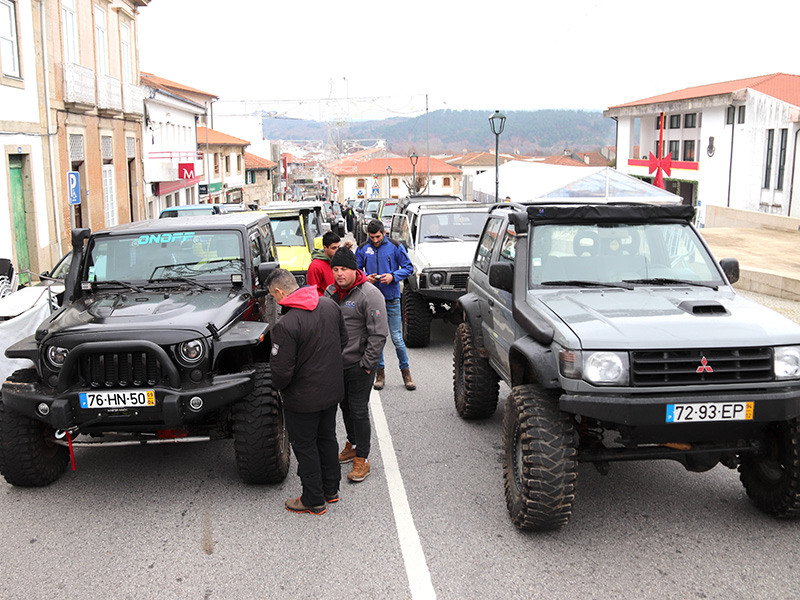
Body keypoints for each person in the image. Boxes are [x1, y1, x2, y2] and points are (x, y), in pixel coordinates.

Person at [266, 268, 348, 514]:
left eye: (274, 296)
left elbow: (281, 372)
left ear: (279, 291)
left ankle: (313, 498)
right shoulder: (329, 305)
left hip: (302, 399)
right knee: (327, 437)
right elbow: (342, 340)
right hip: (331, 390)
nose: (276, 301)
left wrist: (280, 390)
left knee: (305, 445)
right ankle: (331, 489)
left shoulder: (287, 324)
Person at [324, 247, 388, 483]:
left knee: (359, 410)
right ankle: (352, 442)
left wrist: (367, 364)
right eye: (336, 269)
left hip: (359, 365)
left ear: (355, 270)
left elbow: (379, 334)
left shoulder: (370, 295)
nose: (339, 274)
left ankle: (363, 458)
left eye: (344, 269)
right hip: (336, 365)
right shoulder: (330, 292)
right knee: (345, 407)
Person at [355, 219, 416, 391]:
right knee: (376, 337)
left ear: (384, 233)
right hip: (372, 300)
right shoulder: (362, 249)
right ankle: (379, 374)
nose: (375, 240)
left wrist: (393, 276)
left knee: (396, 337)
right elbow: (355, 271)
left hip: (391, 299)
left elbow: (408, 268)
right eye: (372, 237)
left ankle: (406, 373)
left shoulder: (396, 246)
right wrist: (364, 278)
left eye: (378, 236)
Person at [307, 231, 341, 296]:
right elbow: (313, 291)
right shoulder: (315, 266)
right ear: (325, 248)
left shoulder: (339, 260)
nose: (337, 251)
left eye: (338, 247)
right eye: (334, 248)